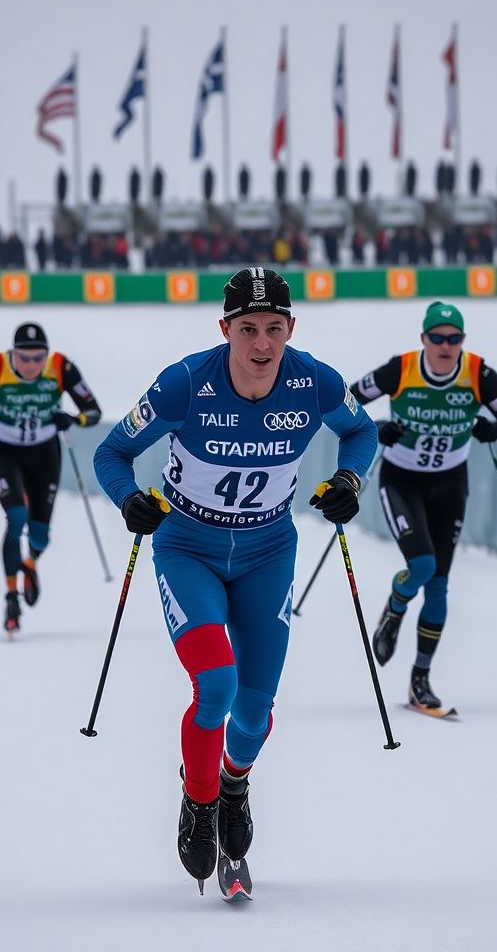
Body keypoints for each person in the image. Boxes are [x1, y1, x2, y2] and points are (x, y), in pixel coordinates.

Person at [93, 267, 377, 895]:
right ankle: (198, 803)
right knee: (215, 684)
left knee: (253, 709)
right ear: (224, 329)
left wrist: (349, 482)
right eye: (247, 329)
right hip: (187, 544)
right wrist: (128, 500)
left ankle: (234, 783)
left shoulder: (314, 381)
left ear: (291, 328)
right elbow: (110, 453)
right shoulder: (184, 383)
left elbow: (361, 431)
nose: (262, 345)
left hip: (267, 550)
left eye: (274, 328)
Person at [351, 301, 497, 715]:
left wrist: (496, 428)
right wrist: (375, 428)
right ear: (424, 340)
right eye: (438, 338)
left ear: (462, 341)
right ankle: (396, 606)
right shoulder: (401, 369)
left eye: (454, 338)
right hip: (401, 482)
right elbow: (343, 402)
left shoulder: (479, 375)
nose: (446, 346)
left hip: (449, 484)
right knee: (424, 566)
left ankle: (420, 681)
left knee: (439, 584)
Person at [0, 322, 102, 634]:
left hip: (45, 453)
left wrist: (73, 419)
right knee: (16, 517)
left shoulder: (62, 367)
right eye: (25, 358)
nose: (32, 365)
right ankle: (10, 598)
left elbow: (93, 411)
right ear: (13, 354)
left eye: (39, 358)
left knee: (40, 535)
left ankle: (30, 563)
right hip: (4, 451)